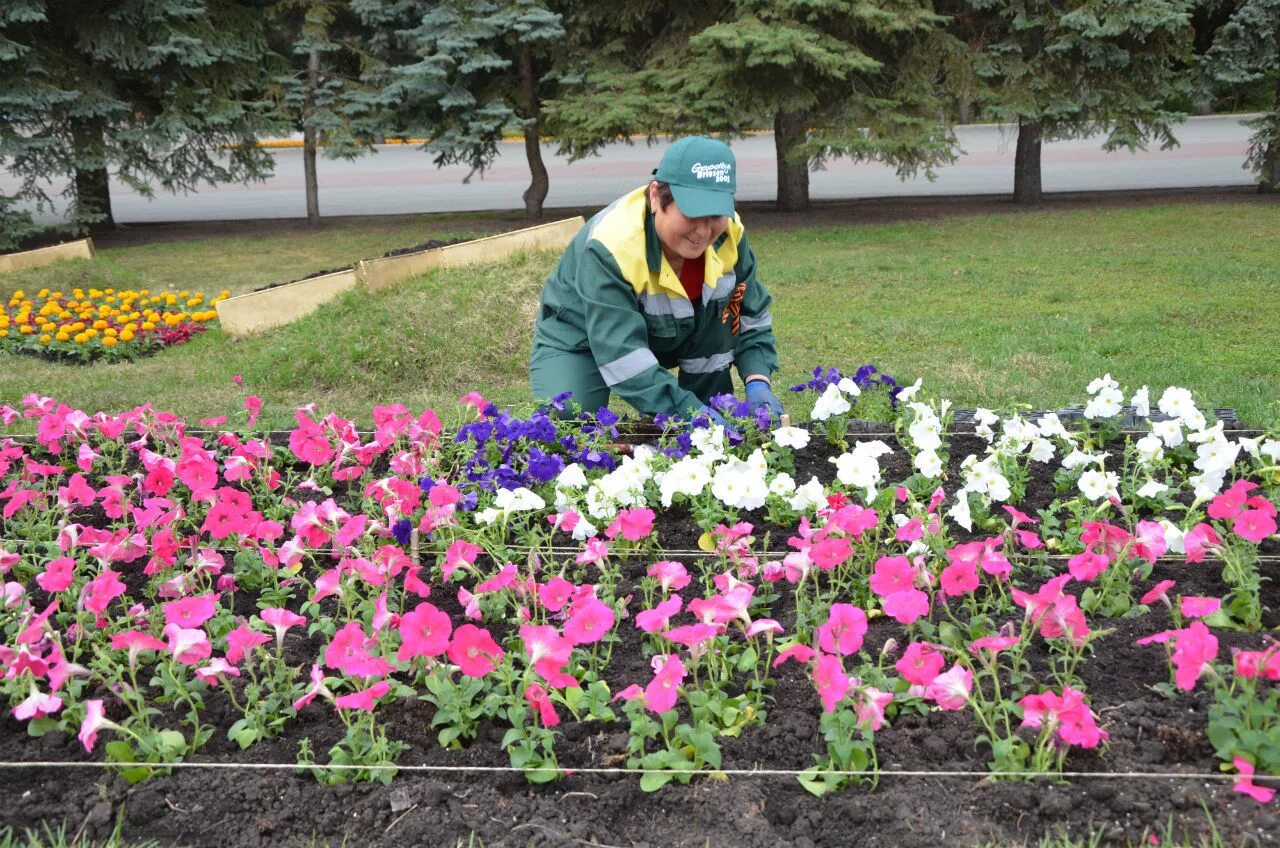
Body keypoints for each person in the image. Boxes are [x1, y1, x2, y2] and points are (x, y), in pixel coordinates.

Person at [530, 136, 784, 424]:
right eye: (692, 213)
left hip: (682, 333)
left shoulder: (729, 234)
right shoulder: (612, 245)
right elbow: (623, 355)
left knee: (709, 432)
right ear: (655, 196)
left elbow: (749, 315)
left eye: (715, 215)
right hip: (582, 335)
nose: (702, 232)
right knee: (568, 417)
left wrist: (757, 381)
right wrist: (689, 411)